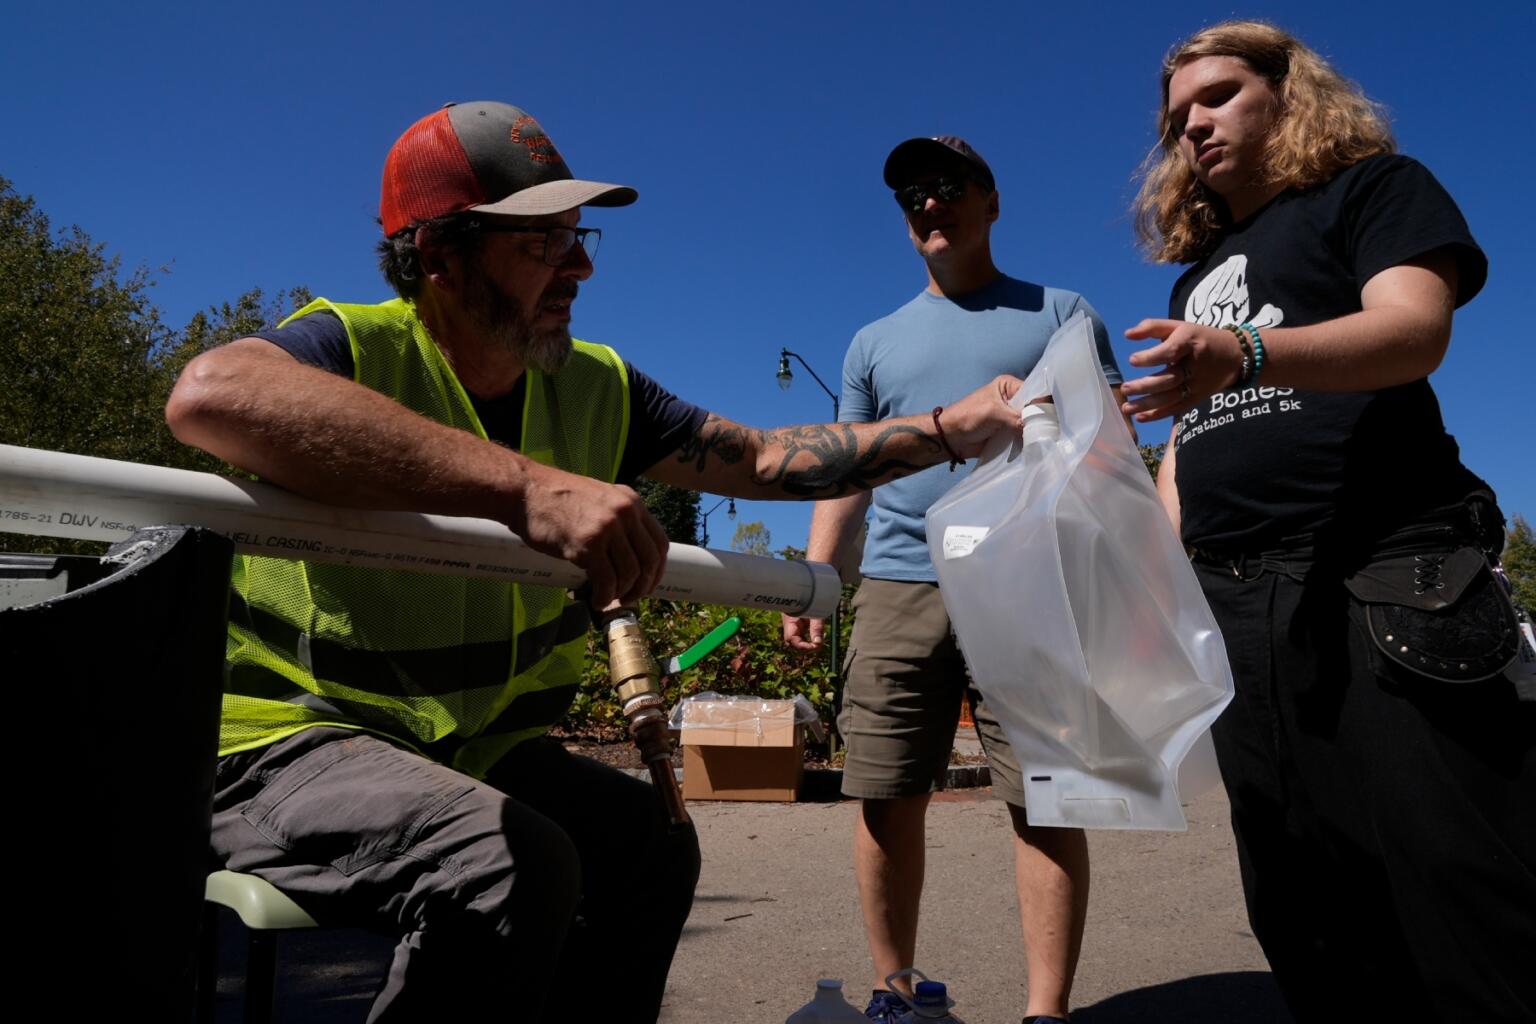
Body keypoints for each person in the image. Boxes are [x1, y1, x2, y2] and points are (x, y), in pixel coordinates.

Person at [165, 101, 1030, 1024]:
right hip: (286, 743)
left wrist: (946, 430)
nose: (578, 266)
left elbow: (765, 458)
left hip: (469, 747)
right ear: (440, 258)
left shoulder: (598, 385)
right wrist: (528, 488)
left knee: (655, 846)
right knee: (510, 862)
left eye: (579, 238)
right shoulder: (352, 346)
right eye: (542, 243)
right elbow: (212, 395)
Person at [1122, 21, 1535, 1022]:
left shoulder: (1374, 191)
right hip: (1237, 606)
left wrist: (1249, 355)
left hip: (1380, 572)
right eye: (1178, 119)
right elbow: (1192, 441)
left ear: (1289, 91)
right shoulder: (1197, 275)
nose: (1193, 129)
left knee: (1457, 883)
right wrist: (1143, 579)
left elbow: (1413, 329)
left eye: (1217, 97)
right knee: (1303, 899)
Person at [782, 135, 1126, 1024]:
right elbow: (847, 470)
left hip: (1029, 584)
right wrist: (820, 578)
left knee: (1045, 798)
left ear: (991, 201)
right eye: (911, 197)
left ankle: (1046, 1012)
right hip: (900, 584)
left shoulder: (1061, 310)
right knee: (885, 791)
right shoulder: (873, 340)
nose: (927, 204)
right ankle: (894, 990)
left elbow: (1108, 446)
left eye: (946, 186)